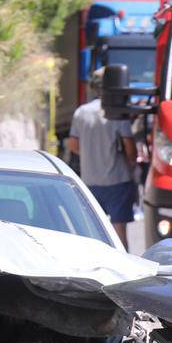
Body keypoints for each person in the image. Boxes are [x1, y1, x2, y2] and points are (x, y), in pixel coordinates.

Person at [68, 68, 138, 246]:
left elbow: (73, 145)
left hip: (90, 181)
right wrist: (132, 165)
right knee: (118, 229)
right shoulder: (117, 114)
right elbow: (131, 150)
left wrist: (92, 156)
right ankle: (124, 267)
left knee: (93, 230)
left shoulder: (81, 112)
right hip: (118, 181)